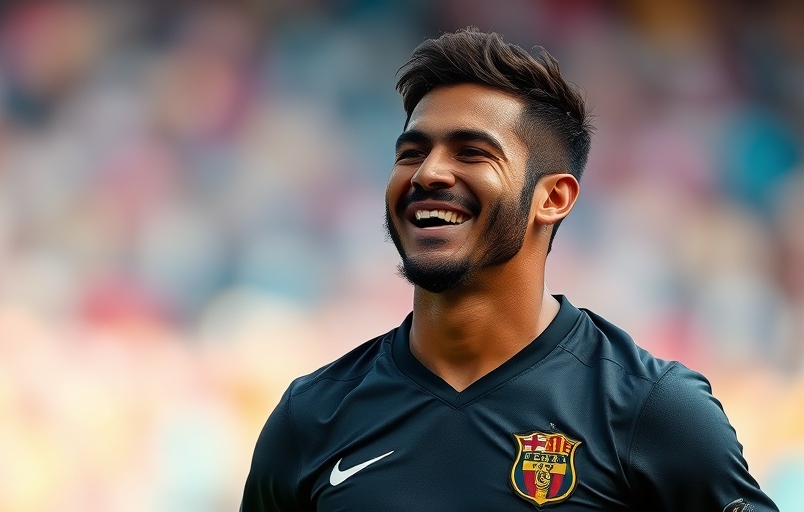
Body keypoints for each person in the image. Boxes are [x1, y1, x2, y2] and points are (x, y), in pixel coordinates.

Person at [240, 27, 779, 511]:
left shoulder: (652, 410)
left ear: (553, 198)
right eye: (411, 152)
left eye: (472, 152)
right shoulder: (310, 416)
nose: (428, 172)